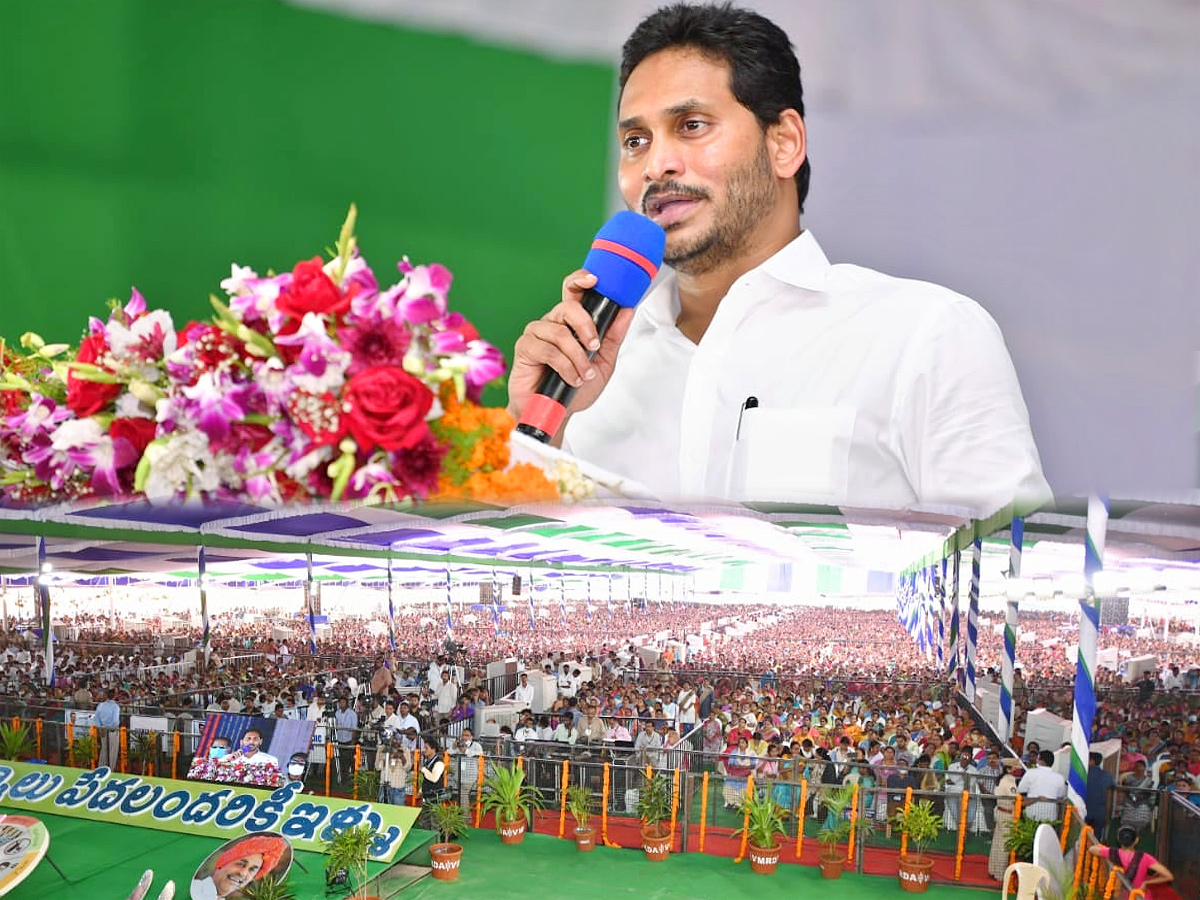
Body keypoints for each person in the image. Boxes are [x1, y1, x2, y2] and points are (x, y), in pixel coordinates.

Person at [506, 2, 1048, 511]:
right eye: (635, 141)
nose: (656, 165)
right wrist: (536, 429)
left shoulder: (923, 334)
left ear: (784, 143)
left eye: (691, 126)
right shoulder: (593, 373)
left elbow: (1012, 575)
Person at [1087, 826, 1175, 898]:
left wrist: (1105, 849)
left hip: (1122, 896)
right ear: (1136, 840)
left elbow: (1091, 849)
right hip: (1141, 896)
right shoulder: (1145, 857)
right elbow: (1169, 876)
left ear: (1118, 839)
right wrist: (1146, 883)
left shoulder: (1111, 853)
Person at [190, 834, 287, 900]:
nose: (243, 873)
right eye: (240, 864)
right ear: (221, 864)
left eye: (252, 870)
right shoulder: (198, 890)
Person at [988, 758, 1022, 881]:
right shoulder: (1009, 781)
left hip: (1000, 811)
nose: (1018, 769)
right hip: (1007, 813)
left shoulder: (1001, 778)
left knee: (997, 842)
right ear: (1009, 769)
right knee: (1004, 844)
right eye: (1015, 767)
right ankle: (1000, 874)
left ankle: (993, 869)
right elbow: (1016, 799)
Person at [1017, 750, 1067, 823]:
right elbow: (1060, 795)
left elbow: (1021, 789)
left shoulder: (1031, 772)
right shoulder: (1060, 777)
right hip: (1050, 816)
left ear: (1041, 760)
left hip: (1031, 813)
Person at [1084, 751, 1115, 835]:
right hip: (1099, 813)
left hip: (1084, 811)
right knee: (1096, 839)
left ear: (1092, 761)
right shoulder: (1107, 776)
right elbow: (1113, 785)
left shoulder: (1083, 774)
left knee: (1082, 837)